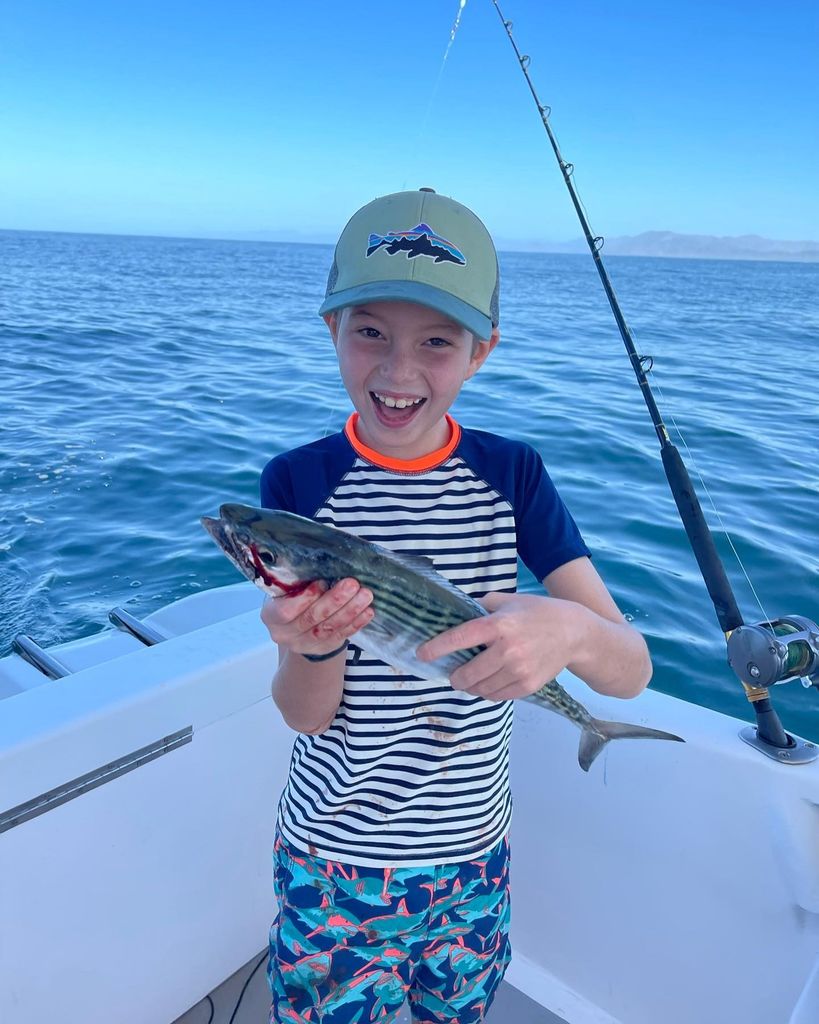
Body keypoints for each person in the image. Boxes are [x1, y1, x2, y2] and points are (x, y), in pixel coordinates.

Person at [259, 188, 652, 1023]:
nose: (399, 372)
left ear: (480, 352)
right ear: (331, 330)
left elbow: (628, 671)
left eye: (436, 342)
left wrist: (572, 631)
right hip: (333, 856)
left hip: (474, 857)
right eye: (370, 332)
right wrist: (311, 648)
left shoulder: (513, 475)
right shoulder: (297, 485)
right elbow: (304, 716)